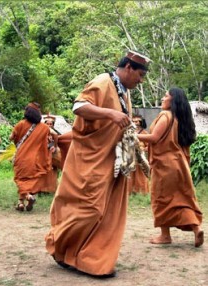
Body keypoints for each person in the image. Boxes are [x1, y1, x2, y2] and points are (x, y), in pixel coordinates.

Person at [46, 51, 150, 277]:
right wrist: (111, 114)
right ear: (129, 68)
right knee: (89, 209)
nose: (140, 81)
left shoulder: (125, 94)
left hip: (112, 162)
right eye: (140, 75)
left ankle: (92, 259)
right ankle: (59, 245)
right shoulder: (103, 81)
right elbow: (78, 107)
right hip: (90, 161)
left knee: (109, 213)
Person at [137, 88, 203, 247]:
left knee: (161, 198)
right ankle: (196, 229)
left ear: (172, 101)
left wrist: (129, 135)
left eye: (165, 96)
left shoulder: (166, 115)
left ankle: (165, 236)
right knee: (181, 199)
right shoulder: (178, 118)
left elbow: (154, 138)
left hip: (165, 165)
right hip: (178, 164)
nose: (162, 98)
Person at [9, 102, 51, 211]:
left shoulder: (21, 124)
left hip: (22, 157)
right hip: (36, 159)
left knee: (20, 179)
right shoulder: (45, 128)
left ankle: (28, 196)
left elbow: (11, 137)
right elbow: (52, 138)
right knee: (29, 180)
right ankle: (21, 203)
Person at [129, 114, 150, 195]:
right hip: (130, 156)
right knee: (130, 174)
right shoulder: (129, 131)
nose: (136, 123)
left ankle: (142, 192)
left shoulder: (144, 133)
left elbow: (149, 146)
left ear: (141, 122)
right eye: (133, 121)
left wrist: (143, 150)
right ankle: (130, 191)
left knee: (141, 174)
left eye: (137, 121)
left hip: (141, 156)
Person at [41, 115, 60, 194]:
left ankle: (50, 188)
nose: (49, 125)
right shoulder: (41, 132)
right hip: (43, 155)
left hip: (52, 154)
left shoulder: (55, 133)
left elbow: (57, 142)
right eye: (47, 124)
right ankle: (41, 189)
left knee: (53, 171)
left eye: (50, 124)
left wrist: (55, 148)